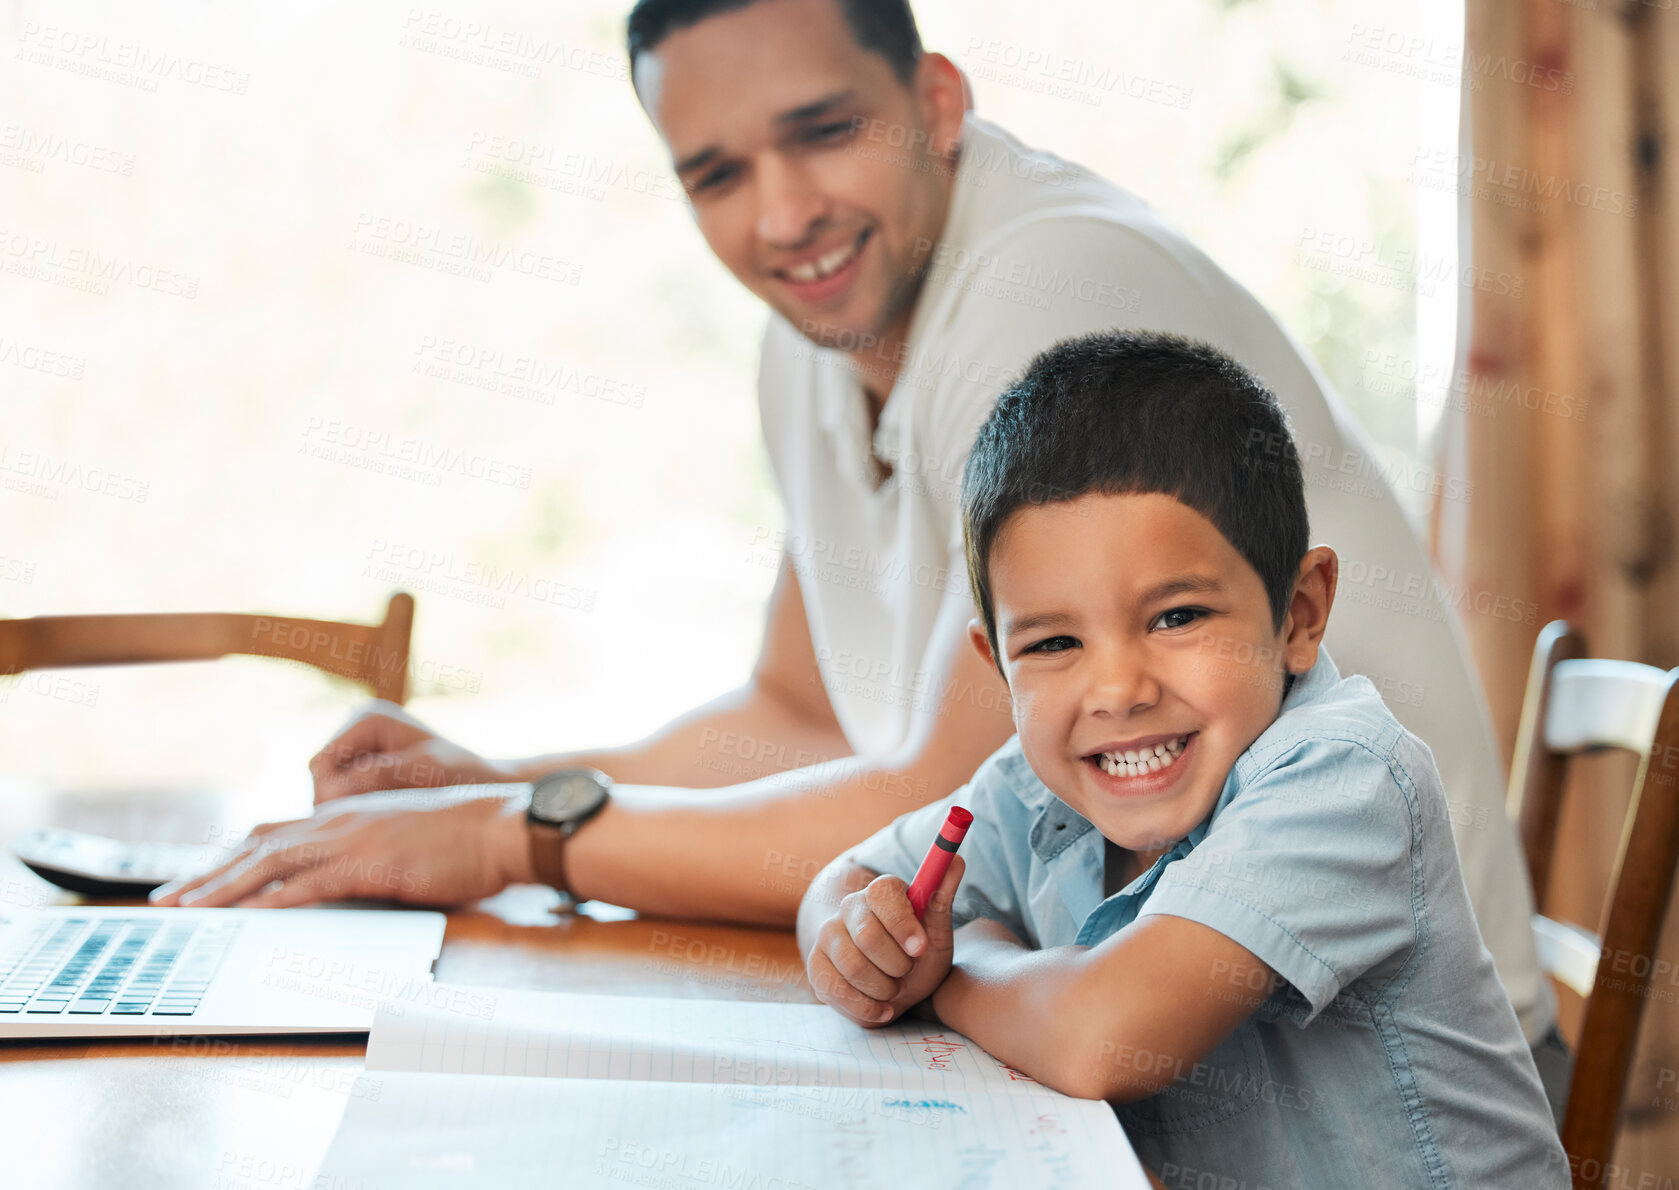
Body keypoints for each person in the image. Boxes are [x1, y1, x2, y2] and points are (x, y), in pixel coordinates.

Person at [154, 0, 1563, 1102]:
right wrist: (513, 779)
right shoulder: (820, 338)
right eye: (714, 174)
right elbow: (798, 716)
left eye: (820, 132)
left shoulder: (1044, 295)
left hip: (1356, 1092)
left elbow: (932, 789)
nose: (779, 217)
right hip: (1142, 1062)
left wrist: (505, 835)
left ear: (934, 103)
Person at [799, 330, 1567, 1186]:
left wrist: (957, 966)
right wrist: (853, 939)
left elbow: (1104, 1035)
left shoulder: (1343, 777)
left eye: (1177, 618)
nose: (1117, 690)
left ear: (1299, 614)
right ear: (998, 668)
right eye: (1054, 642)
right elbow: (848, 877)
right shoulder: (1031, 787)